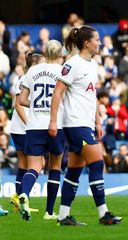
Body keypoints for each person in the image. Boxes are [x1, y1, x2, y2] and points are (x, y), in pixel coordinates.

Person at [49, 26, 121, 226]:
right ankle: (103, 213)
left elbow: (92, 95)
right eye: (97, 39)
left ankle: (63, 216)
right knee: (97, 163)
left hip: (86, 123)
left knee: (74, 170)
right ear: (87, 43)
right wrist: (54, 120)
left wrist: (97, 120)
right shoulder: (73, 64)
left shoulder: (93, 65)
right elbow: (57, 92)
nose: (100, 42)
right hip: (74, 123)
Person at [18, 40, 66, 221]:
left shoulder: (32, 70)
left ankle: (25, 195)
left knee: (34, 167)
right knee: (55, 166)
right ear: (60, 53)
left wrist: (38, 106)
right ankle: (49, 212)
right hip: (56, 123)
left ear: (44, 53)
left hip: (34, 125)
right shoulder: (63, 71)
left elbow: (22, 100)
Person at [9, 52, 43, 214]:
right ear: (35, 64)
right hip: (23, 128)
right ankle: (22, 197)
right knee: (36, 164)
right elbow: (17, 105)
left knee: (23, 165)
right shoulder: (25, 79)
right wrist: (28, 123)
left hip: (20, 128)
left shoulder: (27, 78)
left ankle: (19, 199)